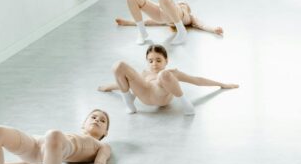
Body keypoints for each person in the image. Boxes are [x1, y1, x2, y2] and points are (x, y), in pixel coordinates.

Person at [98, 44, 238, 116]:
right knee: (119, 66)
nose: (154, 64)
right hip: (144, 93)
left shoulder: (171, 73)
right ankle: (129, 103)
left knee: (164, 75)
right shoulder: (145, 72)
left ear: (166, 60)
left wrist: (222, 84)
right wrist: (108, 87)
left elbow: (196, 80)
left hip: (161, 94)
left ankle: (186, 105)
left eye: (158, 60)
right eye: (150, 61)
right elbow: (125, 83)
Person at [115, 0, 224, 45]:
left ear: (188, 8)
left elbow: (202, 25)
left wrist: (214, 29)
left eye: (183, 3)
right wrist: (126, 22)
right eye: (180, 2)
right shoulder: (167, 11)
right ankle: (142, 32)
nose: (181, 2)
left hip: (174, 16)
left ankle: (182, 31)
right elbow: (148, 22)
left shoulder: (189, 16)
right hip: (161, 13)